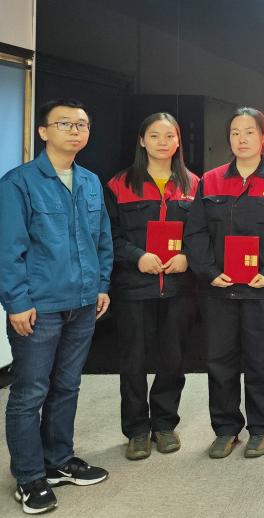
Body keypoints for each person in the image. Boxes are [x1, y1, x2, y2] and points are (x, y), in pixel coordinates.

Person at [0, 99, 113, 514]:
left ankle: (58, 460)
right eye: (64, 123)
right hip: (39, 307)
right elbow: (8, 249)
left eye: (82, 124)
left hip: (83, 302)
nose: (75, 130)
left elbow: (102, 239)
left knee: (67, 386)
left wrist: (101, 285)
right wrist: (16, 302)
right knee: (30, 392)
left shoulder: (90, 181)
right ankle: (29, 477)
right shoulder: (19, 183)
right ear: (44, 131)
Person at [185, 107, 264, 458]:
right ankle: (225, 429)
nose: (241, 139)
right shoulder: (210, 180)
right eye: (235, 132)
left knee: (261, 361)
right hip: (219, 289)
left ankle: (261, 428)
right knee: (219, 361)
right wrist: (209, 271)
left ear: (263, 138)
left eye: (249, 132)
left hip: (262, 289)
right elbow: (196, 232)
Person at [105, 113, 199, 460]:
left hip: (179, 287)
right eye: (155, 135)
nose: (163, 142)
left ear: (178, 141)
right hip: (134, 286)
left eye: (170, 136)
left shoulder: (194, 185)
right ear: (142, 141)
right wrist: (137, 256)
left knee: (173, 358)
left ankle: (164, 423)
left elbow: (204, 234)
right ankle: (136, 430)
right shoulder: (119, 184)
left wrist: (188, 256)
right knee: (133, 361)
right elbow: (108, 235)